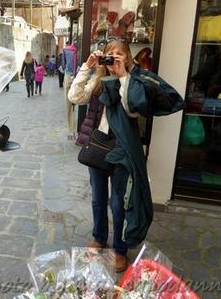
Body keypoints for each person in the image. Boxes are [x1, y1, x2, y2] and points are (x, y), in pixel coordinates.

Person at [68, 38, 183, 273]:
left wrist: (122, 76)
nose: (114, 58)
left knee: (120, 203)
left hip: (123, 150)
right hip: (100, 147)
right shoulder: (99, 79)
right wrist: (87, 67)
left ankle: (120, 249)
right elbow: (75, 97)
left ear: (128, 57)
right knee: (98, 198)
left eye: (119, 54)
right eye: (110, 54)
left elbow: (132, 107)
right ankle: (99, 237)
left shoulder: (135, 81)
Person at [62, 42, 78, 138]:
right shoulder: (81, 49)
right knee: (79, 104)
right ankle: (76, 129)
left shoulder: (66, 50)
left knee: (68, 104)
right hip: (81, 74)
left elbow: (63, 65)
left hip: (68, 75)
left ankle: (72, 130)